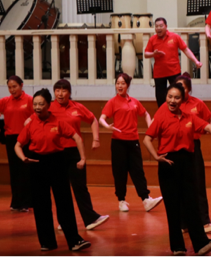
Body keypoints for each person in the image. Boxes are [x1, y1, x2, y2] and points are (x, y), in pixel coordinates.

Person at [143, 83, 211, 256]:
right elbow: (147, 139)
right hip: (168, 163)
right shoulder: (161, 116)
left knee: (191, 204)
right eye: (170, 97)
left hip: (187, 163)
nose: (172, 100)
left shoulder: (189, 117)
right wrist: (156, 157)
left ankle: (201, 244)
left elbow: (208, 126)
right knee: (172, 207)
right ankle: (177, 247)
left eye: (176, 97)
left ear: (182, 100)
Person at [14, 89, 91, 252]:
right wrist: (23, 158)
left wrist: (83, 158)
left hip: (57, 162)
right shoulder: (30, 124)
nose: (37, 107)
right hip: (37, 163)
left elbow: (77, 137)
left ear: (49, 105)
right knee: (41, 204)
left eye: (41, 104)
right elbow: (18, 145)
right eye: (35, 104)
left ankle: (74, 240)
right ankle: (47, 242)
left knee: (64, 202)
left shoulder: (58, 122)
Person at [48, 79, 109, 231]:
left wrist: (96, 139)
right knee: (61, 189)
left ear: (69, 93)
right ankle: (64, 221)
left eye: (64, 90)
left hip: (75, 152)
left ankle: (90, 219)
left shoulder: (77, 107)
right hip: (56, 153)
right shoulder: (49, 107)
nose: (60, 94)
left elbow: (93, 120)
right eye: (57, 90)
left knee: (80, 187)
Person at [99, 73, 163, 213]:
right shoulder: (112, 102)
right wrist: (107, 126)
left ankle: (146, 199)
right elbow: (101, 118)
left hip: (133, 141)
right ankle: (121, 200)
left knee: (138, 170)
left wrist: (150, 127)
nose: (119, 86)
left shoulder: (134, 102)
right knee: (120, 172)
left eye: (123, 83)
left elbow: (145, 114)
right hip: (118, 142)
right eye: (118, 83)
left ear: (127, 85)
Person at [177, 73, 211, 233]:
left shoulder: (197, 103)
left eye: (183, 87)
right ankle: (183, 224)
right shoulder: (171, 104)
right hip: (176, 147)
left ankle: (204, 222)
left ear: (189, 89)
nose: (180, 90)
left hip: (194, 146)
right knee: (180, 186)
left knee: (198, 184)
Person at [0, 75, 33, 212]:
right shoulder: (6, 101)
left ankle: (27, 202)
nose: (12, 90)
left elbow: (38, 113)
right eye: (9, 87)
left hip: (26, 138)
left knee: (25, 170)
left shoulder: (29, 100)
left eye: (14, 86)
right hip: (11, 138)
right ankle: (16, 202)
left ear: (21, 85)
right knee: (14, 170)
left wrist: (30, 120)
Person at [145, 17, 202, 105]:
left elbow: (185, 49)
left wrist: (196, 61)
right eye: (156, 26)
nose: (158, 28)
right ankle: (163, 114)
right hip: (159, 73)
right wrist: (153, 54)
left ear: (166, 26)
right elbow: (146, 54)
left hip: (174, 71)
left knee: (178, 94)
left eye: (161, 26)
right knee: (160, 98)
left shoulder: (175, 37)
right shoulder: (152, 39)